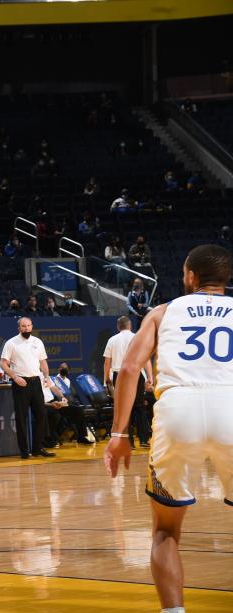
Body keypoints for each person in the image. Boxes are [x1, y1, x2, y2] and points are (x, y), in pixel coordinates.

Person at [105, 244, 233, 613]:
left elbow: (130, 369)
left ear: (191, 276)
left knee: (165, 531)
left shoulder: (163, 312)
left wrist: (119, 435)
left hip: (178, 410)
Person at [0, 318, 56, 459]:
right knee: (21, 418)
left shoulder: (38, 342)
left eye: (28, 325)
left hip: (36, 382)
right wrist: (14, 377)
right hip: (20, 383)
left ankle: (37, 448)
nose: (26, 328)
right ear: (19, 328)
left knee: (41, 414)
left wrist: (47, 376)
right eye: (23, 326)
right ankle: (24, 451)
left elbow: (43, 362)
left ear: (32, 326)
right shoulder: (11, 343)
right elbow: (3, 364)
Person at [103, 316, 154, 448]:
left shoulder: (112, 340)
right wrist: (150, 377)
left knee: (124, 409)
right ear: (130, 325)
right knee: (140, 407)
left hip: (119, 374)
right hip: (136, 373)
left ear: (118, 327)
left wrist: (106, 379)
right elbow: (146, 359)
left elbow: (107, 362)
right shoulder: (137, 337)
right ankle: (144, 440)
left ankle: (128, 442)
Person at [50, 363, 94, 445]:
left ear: (69, 370)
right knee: (78, 410)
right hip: (59, 405)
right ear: (59, 369)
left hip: (69, 404)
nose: (63, 369)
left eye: (66, 368)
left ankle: (81, 437)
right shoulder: (54, 380)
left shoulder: (68, 381)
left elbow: (72, 395)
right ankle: (79, 436)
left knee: (79, 411)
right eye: (62, 367)